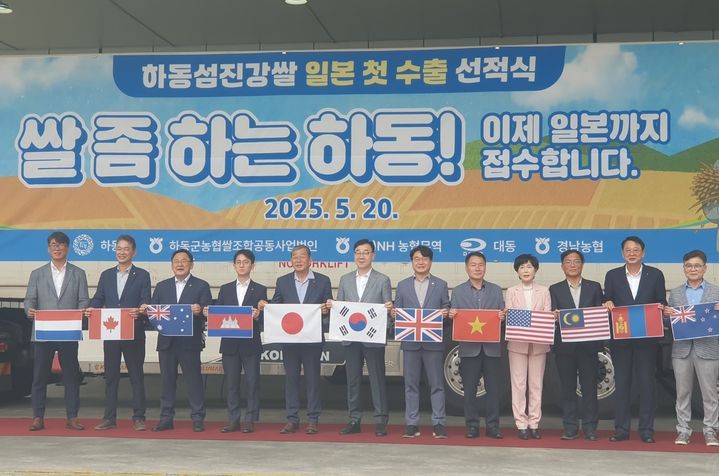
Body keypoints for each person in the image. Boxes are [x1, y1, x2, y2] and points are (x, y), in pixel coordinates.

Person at [259, 245, 332, 435]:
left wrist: (326, 309)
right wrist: (266, 306)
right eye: (294, 257)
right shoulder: (283, 281)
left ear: (310, 260)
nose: (298, 260)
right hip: (289, 340)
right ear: (290, 261)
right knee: (291, 380)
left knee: (313, 380)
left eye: (302, 256)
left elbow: (329, 306)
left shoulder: (322, 281)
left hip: (312, 340)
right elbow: (276, 307)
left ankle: (313, 419)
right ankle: (292, 419)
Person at [24, 231, 89, 431]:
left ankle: (72, 417)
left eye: (61, 244)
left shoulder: (78, 273)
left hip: (68, 332)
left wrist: (82, 311)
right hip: (44, 332)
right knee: (39, 375)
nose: (57, 248)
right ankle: (38, 417)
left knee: (71, 376)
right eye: (53, 244)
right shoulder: (37, 273)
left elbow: (83, 300)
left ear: (67, 248)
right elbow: (29, 299)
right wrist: (29, 310)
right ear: (48, 248)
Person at [604, 235, 666, 443]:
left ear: (643, 253)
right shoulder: (612, 275)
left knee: (646, 384)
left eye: (636, 250)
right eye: (628, 250)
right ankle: (621, 429)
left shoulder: (655, 274)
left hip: (646, 340)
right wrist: (607, 302)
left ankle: (646, 430)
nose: (632, 253)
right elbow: (607, 299)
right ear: (622, 254)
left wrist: (661, 307)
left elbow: (661, 301)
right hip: (621, 339)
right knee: (622, 384)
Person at [87, 234, 151, 431]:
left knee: (136, 376)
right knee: (111, 376)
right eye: (119, 249)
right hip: (112, 332)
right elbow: (99, 298)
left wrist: (142, 308)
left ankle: (139, 417)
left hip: (133, 331)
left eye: (126, 249)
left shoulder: (142, 275)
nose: (122, 252)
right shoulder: (106, 275)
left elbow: (145, 299)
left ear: (134, 252)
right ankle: (109, 418)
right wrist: (92, 308)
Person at [145, 249, 211, 432]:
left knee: (194, 381)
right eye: (176, 261)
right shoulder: (162, 286)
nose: (180, 264)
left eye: (184, 260)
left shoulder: (201, 286)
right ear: (172, 265)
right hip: (167, 342)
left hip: (190, 343)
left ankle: (197, 418)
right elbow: (153, 313)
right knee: (167, 382)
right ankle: (166, 418)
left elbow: (208, 311)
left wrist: (200, 310)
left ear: (191, 264)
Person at [333, 239, 392, 437]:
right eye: (358, 252)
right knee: (353, 380)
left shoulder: (382, 280)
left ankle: (381, 421)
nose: (361, 256)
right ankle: (354, 419)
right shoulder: (345, 279)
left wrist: (388, 311)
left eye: (366, 252)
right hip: (351, 338)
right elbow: (341, 307)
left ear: (373, 255)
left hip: (373, 337)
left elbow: (387, 308)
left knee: (377, 379)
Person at [392, 245, 449, 439]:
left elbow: (446, 306)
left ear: (431, 262)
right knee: (411, 384)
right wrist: (394, 313)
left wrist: (446, 312)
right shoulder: (402, 285)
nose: (421, 262)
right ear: (412, 262)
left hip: (433, 342)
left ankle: (439, 423)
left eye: (425, 259)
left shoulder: (440, 284)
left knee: (436, 384)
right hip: (410, 342)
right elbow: (397, 310)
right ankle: (411, 423)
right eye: (417, 259)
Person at [664, 250, 719, 447]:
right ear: (684, 268)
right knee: (682, 393)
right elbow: (670, 324)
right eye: (689, 266)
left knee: (710, 394)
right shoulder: (676, 293)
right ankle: (683, 430)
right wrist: (666, 315)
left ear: (705, 268)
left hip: (708, 348)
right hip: (682, 350)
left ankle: (710, 430)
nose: (693, 269)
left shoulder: (716, 292)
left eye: (697, 266)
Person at [549, 249, 604, 441]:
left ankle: (590, 428)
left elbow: (600, 315)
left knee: (589, 389)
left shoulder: (594, 287)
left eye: (576, 261)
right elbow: (550, 315)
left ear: (582, 264)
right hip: (565, 347)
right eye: (568, 261)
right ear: (562, 266)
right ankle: (570, 427)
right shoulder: (554, 289)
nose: (572, 265)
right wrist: (554, 316)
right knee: (567, 389)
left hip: (588, 346)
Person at [210, 249, 267, 434]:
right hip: (230, 344)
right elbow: (218, 314)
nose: (242, 265)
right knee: (232, 384)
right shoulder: (225, 289)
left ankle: (250, 419)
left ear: (252, 265)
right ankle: (233, 419)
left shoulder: (260, 289)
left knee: (252, 382)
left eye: (246, 262)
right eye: (239, 262)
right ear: (234, 266)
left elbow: (265, 317)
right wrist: (209, 313)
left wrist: (258, 314)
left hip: (251, 344)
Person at [449, 251, 505, 439]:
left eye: (481, 264)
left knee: (493, 390)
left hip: (491, 349)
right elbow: (453, 318)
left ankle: (493, 426)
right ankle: (472, 425)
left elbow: (501, 315)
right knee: (469, 390)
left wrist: (502, 316)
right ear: (466, 268)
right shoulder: (458, 291)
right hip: (468, 349)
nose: (477, 268)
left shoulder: (496, 290)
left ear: (485, 267)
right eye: (473, 265)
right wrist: (452, 314)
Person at [505, 253, 551, 440]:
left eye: (529, 266)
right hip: (517, 344)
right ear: (517, 271)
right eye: (522, 267)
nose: (526, 270)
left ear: (535, 270)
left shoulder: (544, 291)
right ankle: (521, 424)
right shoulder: (511, 291)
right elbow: (510, 315)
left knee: (536, 385)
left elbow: (547, 315)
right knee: (518, 384)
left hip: (539, 344)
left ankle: (534, 423)